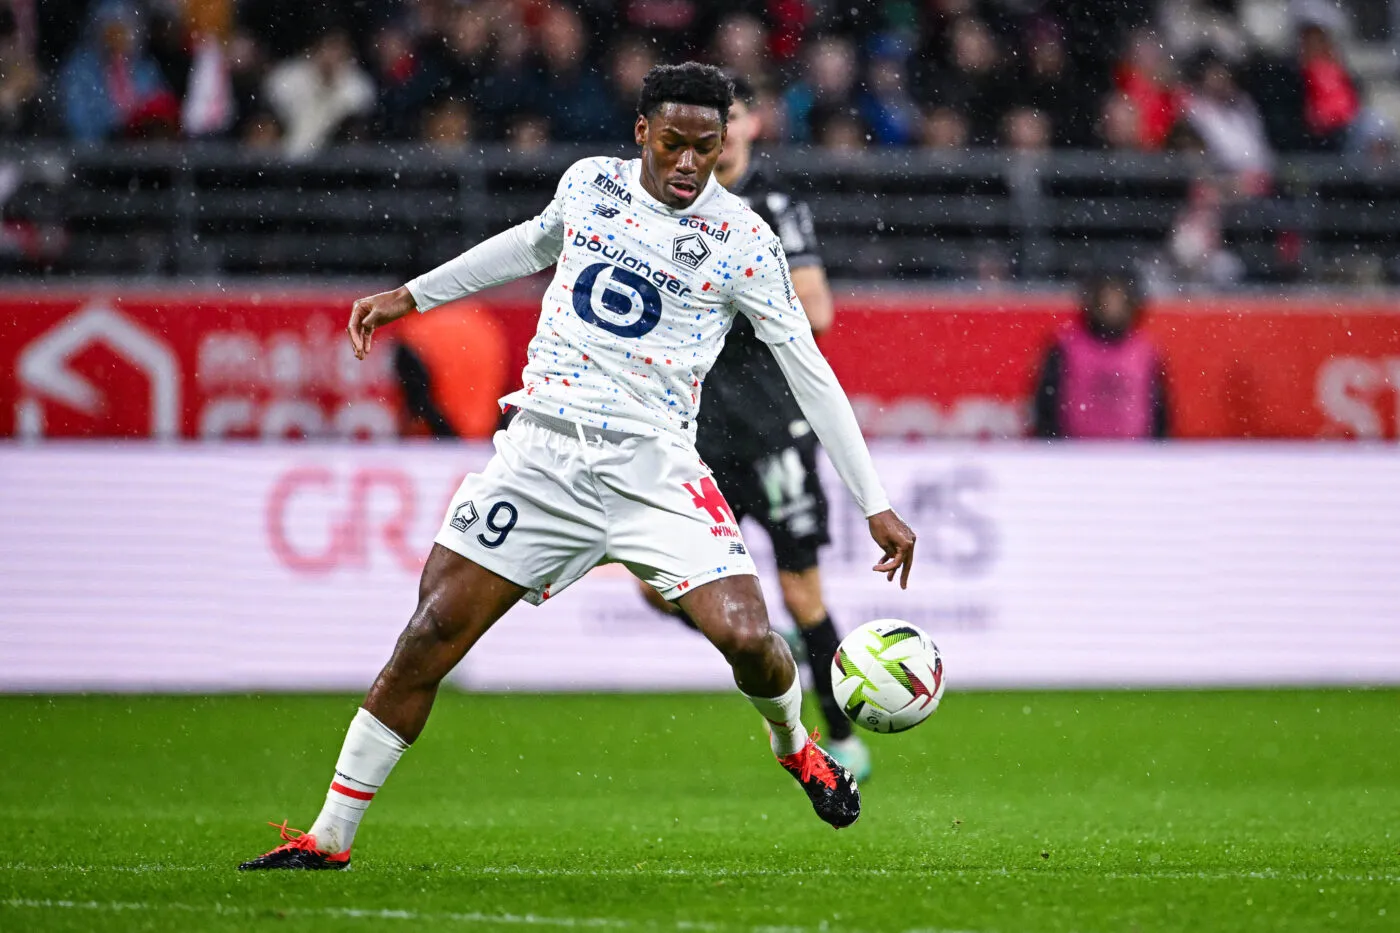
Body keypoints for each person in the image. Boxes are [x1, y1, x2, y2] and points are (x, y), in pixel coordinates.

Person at [239, 63, 916, 871]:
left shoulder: (744, 239)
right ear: (641, 133)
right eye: (673, 143)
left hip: (654, 467)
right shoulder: (590, 185)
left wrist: (873, 500)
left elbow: (808, 366)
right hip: (541, 455)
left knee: (747, 636)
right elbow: (526, 244)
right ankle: (327, 838)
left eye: (706, 146)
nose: (689, 163)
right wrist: (412, 295)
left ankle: (795, 743)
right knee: (427, 638)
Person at [632, 75, 871, 782]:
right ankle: (772, 648)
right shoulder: (672, 207)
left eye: (732, 120)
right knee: (654, 585)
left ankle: (842, 735)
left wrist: (722, 295)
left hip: (774, 430)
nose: (724, 133)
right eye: (712, 124)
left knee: (804, 588)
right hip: (697, 435)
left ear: (753, 125)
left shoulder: (772, 207)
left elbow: (817, 312)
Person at [1031, 271, 1169, 439]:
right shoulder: (1065, 347)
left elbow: (1160, 409)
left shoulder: (1146, 351)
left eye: (1118, 300)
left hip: (1135, 455)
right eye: (1105, 300)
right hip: (1074, 453)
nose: (1111, 307)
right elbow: (1046, 405)